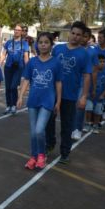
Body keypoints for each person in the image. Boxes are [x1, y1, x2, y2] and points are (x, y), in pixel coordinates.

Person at [45, 21, 91, 164]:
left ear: (83, 37)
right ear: (69, 32)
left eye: (79, 35)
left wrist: (83, 96)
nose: (75, 37)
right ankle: (50, 143)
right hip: (53, 94)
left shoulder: (84, 54)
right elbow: (49, 67)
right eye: (73, 33)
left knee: (67, 125)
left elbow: (87, 76)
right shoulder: (57, 49)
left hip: (70, 96)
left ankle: (65, 152)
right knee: (48, 121)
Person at [17, 32, 62, 169]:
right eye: (40, 42)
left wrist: (58, 101)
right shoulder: (32, 62)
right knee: (33, 132)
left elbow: (59, 83)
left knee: (39, 130)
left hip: (47, 101)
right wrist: (20, 97)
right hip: (33, 101)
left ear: (51, 45)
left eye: (46, 42)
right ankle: (33, 156)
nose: (43, 45)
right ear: (37, 44)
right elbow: (26, 80)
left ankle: (41, 155)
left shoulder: (56, 62)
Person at [71, 27, 99, 140]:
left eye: (85, 36)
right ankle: (71, 127)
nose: (82, 38)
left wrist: (94, 87)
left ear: (88, 38)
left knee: (80, 106)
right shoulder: (72, 48)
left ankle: (77, 128)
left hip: (83, 83)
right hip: (71, 82)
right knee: (70, 107)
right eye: (81, 36)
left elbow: (95, 70)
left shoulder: (92, 52)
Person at [0, 24, 29, 115]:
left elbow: (26, 56)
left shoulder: (24, 43)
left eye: (18, 30)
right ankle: (8, 105)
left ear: (21, 32)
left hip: (18, 68)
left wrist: (28, 68)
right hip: (8, 67)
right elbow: (4, 54)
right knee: (8, 87)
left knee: (13, 86)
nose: (16, 31)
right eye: (15, 29)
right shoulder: (8, 42)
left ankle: (14, 105)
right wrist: (0, 62)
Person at [84, 54, 105, 134]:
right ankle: (87, 124)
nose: (102, 63)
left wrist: (103, 94)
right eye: (100, 61)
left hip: (100, 97)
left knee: (98, 112)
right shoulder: (90, 72)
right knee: (88, 110)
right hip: (90, 96)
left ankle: (95, 125)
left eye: (104, 61)